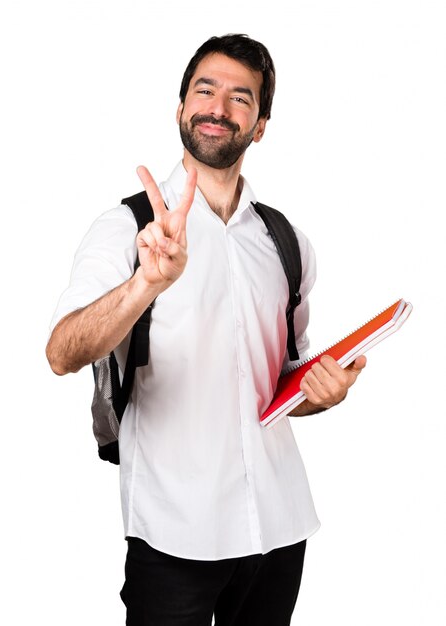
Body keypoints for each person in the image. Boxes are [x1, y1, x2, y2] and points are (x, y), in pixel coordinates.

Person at [46, 34, 366, 626]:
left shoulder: (286, 242)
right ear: (180, 107)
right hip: (173, 537)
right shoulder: (127, 228)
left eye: (241, 98)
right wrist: (145, 283)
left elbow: (283, 381)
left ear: (260, 124)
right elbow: (62, 352)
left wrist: (321, 393)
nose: (219, 107)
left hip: (279, 526)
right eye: (205, 90)